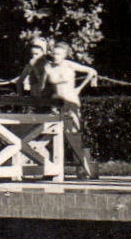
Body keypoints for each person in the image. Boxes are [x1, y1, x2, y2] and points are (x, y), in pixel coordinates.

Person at [42, 42, 99, 179]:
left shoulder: (69, 64)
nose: (56, 56)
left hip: (71, 102)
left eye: (59, 53)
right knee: (50, 134)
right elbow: (43, 85)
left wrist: (79, 88)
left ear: (65, 55)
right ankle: (50, 169)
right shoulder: (48, 67)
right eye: (54, 53)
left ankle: (83, 169)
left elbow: (92, 72)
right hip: (56, 104)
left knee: (74, 134)